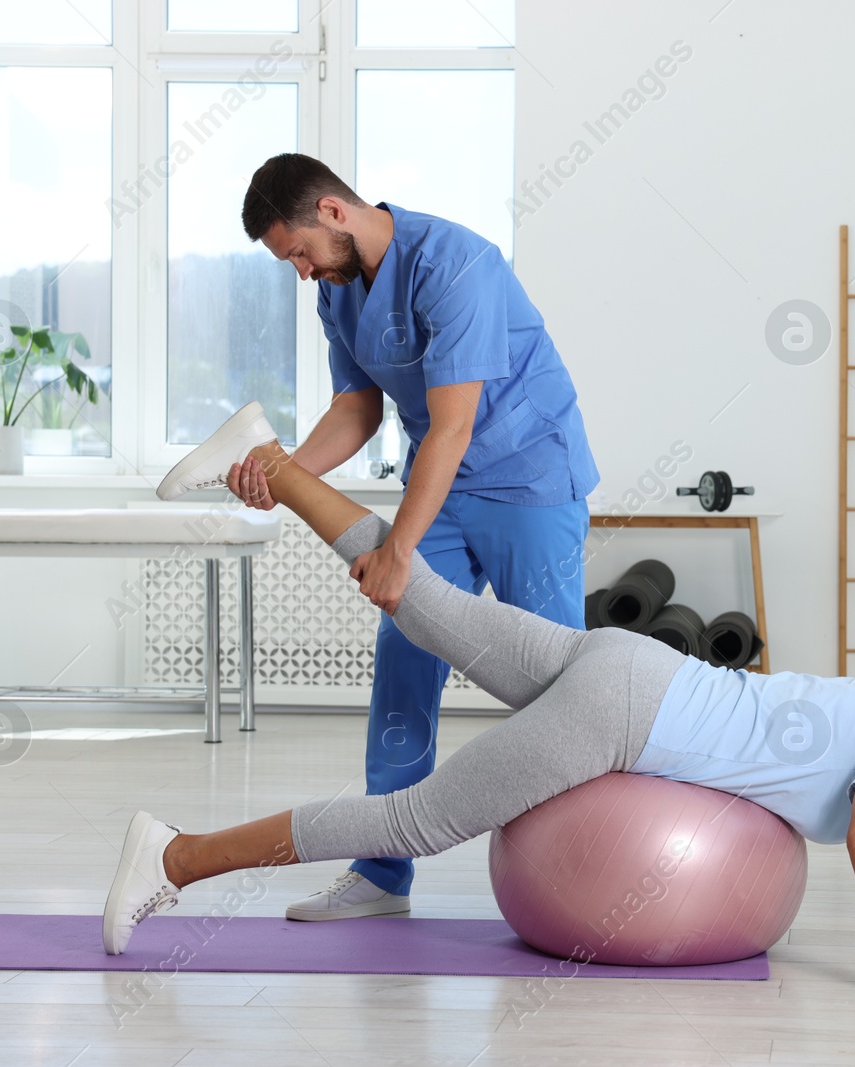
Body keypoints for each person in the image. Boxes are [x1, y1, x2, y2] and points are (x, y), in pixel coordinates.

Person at [114, 419, 855, 1010]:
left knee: (426, 601)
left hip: (634, 664)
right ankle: (174, 856)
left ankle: (271, 462)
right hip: (628, 715)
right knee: (414, 820)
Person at [224, 153, 600, 922]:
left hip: (530, 477)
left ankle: (583, 861)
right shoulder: (340, 291)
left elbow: (455, 421)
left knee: (558, 681)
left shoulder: (458, 263)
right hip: (445, 484)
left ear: (332, 213)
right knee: (404, 658)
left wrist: (397, 548)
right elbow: (358, 412)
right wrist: (286, 474)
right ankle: (380, 873)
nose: (299, 273)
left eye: (296, 252)